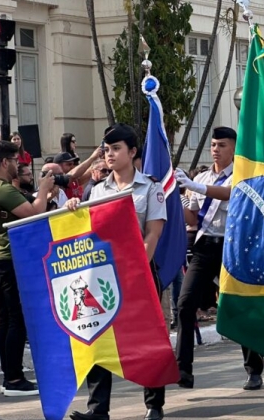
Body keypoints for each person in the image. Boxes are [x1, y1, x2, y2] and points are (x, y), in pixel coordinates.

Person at [66, 123, 168, 420]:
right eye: (107, 149)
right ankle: (98, 409)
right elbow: (87, 232)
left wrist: (135, 269)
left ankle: (154, 404)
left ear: (132, 152)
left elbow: (153, 234)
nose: (109, 155)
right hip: (102, 275)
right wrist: (75, 206)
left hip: (139, 272)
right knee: (96, 337)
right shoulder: (97, 190)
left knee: (146, 339)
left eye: (116, 149)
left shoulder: (151, 188)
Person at [172, 127, 264, 392]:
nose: (216, 149)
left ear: (234, 148)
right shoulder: (201, 177)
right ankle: (183, 369)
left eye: (222, 145)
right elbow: (193, 219)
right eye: (213, 144)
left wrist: (195, 186)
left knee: (239, 306)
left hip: (233, 246)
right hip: (205, 246)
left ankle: (253, 369)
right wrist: (177, 204)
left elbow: (229, 194)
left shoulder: (242, 174)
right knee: (185, 303)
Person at [0, 140, 54, 396]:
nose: (17, 165)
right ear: (4, 162)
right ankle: (14, 379)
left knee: (7, 320)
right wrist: (44, 188)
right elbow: (35, 212)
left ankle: (10, 376)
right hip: (7, 260)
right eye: (15, 161)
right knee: (16, 320)